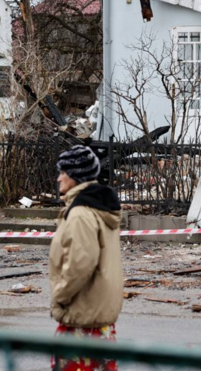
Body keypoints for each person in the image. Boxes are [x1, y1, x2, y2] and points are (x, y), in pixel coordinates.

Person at [49, 145, 123, 371]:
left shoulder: (81, 213)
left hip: (82, 316)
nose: (59, 179)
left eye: (63, 172)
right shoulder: (99, 207)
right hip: (97, 318)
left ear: (76, 176)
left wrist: (59, 296)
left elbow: (80, 264)